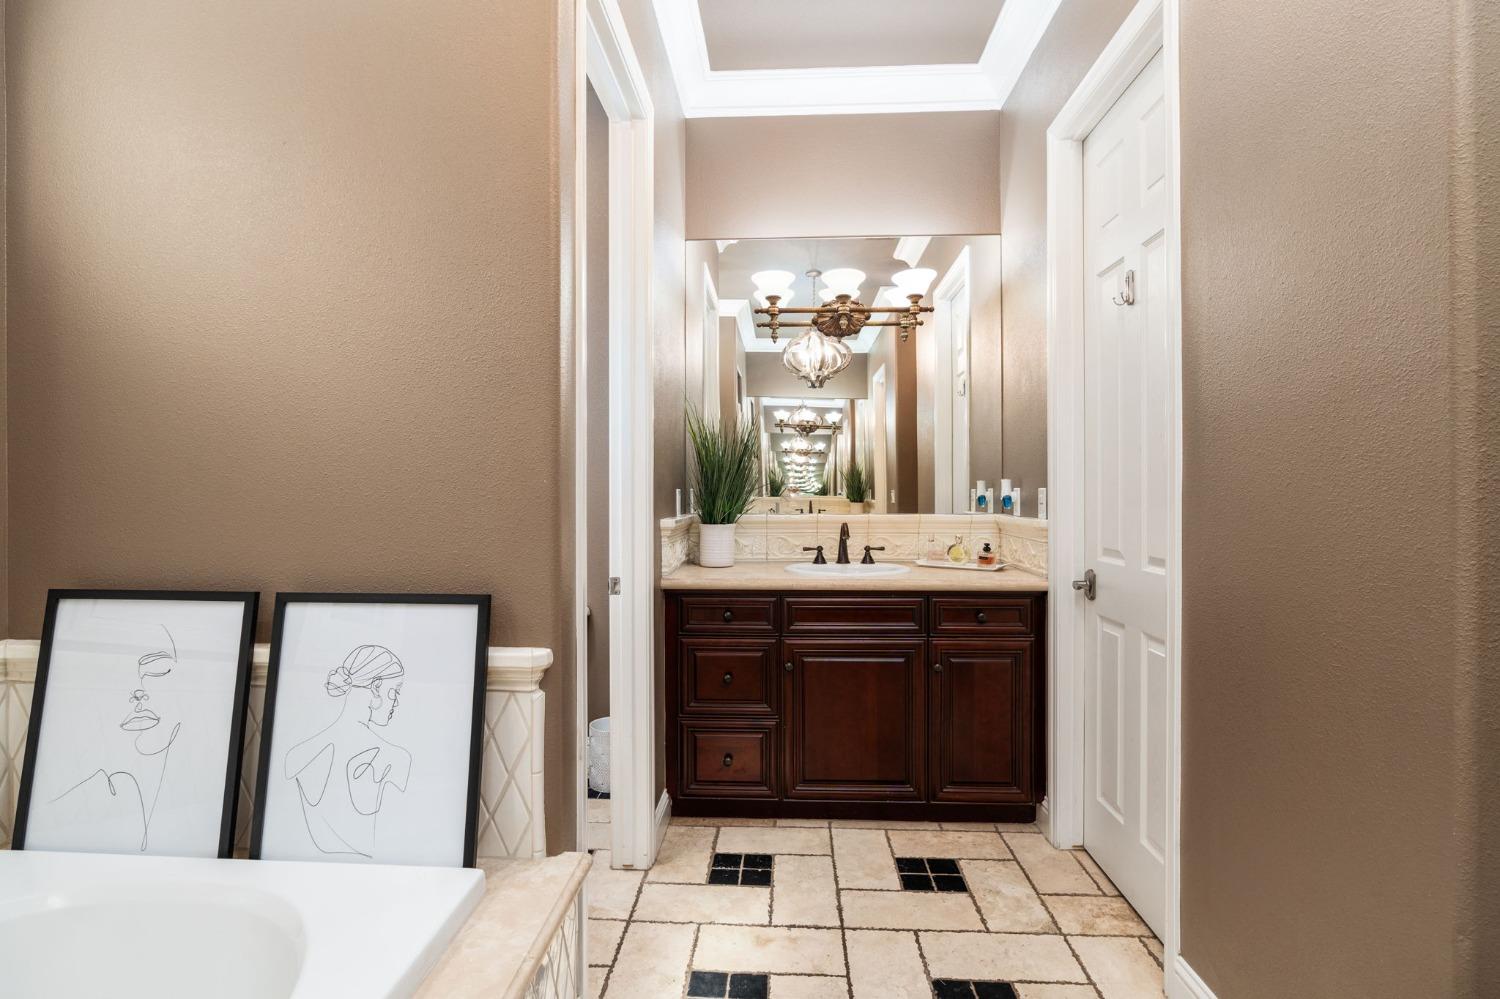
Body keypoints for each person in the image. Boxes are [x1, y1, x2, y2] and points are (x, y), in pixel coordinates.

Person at [283, 644, 412, 858]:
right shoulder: (395, 758)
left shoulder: (297, 755)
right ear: (376, 688)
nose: (396, 702)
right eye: (395, 691)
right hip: (374, 878)